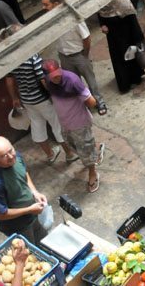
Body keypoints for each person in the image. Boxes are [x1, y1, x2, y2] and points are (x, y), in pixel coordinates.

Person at [5, 42, 76, 163]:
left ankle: (50, 155)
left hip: (26, 99)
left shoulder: (12, 61)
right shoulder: (32, 57)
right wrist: (53, 94)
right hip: (42, 98)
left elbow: (9, 81)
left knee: (37, 125)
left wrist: (14, 98)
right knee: (57, 125)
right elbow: (42, 79)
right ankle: (69, 154)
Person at [41, 0, 108, 114]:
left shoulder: (73, 17)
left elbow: (86, 37)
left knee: (91, 80)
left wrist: (85, 54)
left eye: (46, 5)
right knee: (73, 83)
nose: (43, 8)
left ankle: (99, 102)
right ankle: (85, 104)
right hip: (64, 57)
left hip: (80, 55)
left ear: (56, 4)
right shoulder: (51, 21)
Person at [42, 59, 104, 193]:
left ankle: (92, 172)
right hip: (65, 123)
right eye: (53, 76)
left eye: (58, 74)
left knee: (85, 150)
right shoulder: (47, 81)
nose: (57, 77)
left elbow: (91, 101)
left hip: (79, 123)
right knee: (73, 146)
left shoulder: (72, 80)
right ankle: (95, 149)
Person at [0, 136, 48, 243]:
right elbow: (2, 214)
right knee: (30, 250)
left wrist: (35, 192)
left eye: (11, 150)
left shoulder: (16, 157)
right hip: (18, 226)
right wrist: (29, 209)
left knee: (44, 241)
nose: (11, 156)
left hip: (33, 215)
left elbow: (24, 173)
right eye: (4, 155)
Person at [96, 0, 145, 93]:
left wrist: (139, 39)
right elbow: (100, 16)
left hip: (127, 37)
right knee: (119, 61)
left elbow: (133, 21)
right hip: (114, 39)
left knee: (131, 58)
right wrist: (102, 25)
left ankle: (135, 78)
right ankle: (125, 84)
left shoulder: (122, 1)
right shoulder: (102, 4)